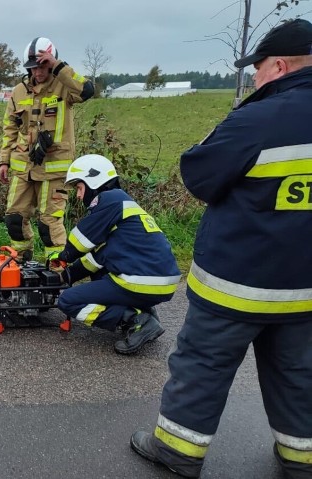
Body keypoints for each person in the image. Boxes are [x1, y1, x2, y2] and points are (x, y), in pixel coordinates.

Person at [130, 19, 312, 478]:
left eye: (258, 69)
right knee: (299, 374)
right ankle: (301, 458)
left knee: (203, 366)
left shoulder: (259, 119)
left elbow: (199, 175)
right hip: (306, 291)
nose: (254, 77)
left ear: (280, 66)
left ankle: (177, 452)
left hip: (237, 283)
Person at [52, 154, 180, 354]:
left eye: (79, 188)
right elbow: (98, 258)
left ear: (92, 181)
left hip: (139, 280)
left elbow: (79, 242)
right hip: (160, 280)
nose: (77, 195)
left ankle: (135, 319)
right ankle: (143, 310)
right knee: (100, 275)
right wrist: (67, 276)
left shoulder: (108, 200)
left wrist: (62, 257)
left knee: (68, 300)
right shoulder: (122, 206)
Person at [0, 37, 94, 262]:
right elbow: (10, 128)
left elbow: (87, 90)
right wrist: (4, 161)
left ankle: (57, 271)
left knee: (48, 224)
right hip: (24, 167)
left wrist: (58, 66)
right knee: (14, 219)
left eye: (43, 66)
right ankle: (21, 262)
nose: (38, 72)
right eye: (33, 67)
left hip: (54, 169)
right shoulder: (19, 92)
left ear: (51, 63)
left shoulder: (64, 86)